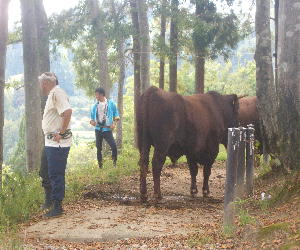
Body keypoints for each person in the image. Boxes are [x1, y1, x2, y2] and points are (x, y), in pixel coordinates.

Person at [39, 72, 72, 218]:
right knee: (45, 171)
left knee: (56, 173)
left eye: (41, 83)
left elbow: (67, 112)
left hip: (57, 143)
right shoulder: (52, 94)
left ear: (46, 83)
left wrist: (62, 132)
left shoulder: (57, 93)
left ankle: (57, 206)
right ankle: (49, 201)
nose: (41, 86)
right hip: (50, 141)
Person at [90, 87, 120, 168]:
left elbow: (116, 115)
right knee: (99, 148)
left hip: (107, 129)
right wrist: (92, 122)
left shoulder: (111, 104)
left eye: (97, 95)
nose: (96, 96)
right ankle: (100, 166)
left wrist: (114, 124)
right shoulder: (94, 106)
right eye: (95, 95)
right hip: (98, 129)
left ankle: (114, 164)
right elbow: (91, 119)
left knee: (113, 146)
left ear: (102, 94)